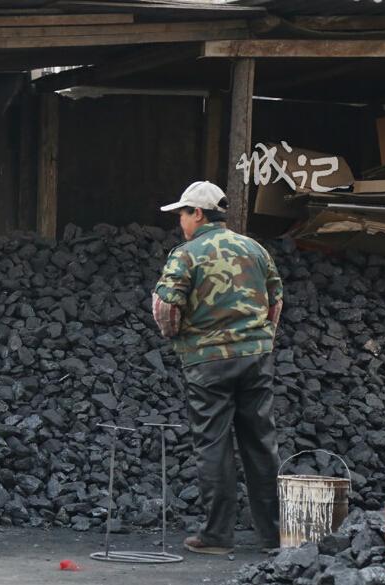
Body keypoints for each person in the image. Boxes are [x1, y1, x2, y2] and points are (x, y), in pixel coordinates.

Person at [152, 181, 284, 555]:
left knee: (213, 443)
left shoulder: (187, 254)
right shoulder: (255, 249)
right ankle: (273, 537)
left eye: (182, 213)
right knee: (260, 442)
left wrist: (177, 338)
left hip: (208, 361)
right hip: (255, 357)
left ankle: (216, 536)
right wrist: (262, 340)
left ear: (198, 213)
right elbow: (275, 300)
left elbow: (165, 308)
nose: (180, 221)